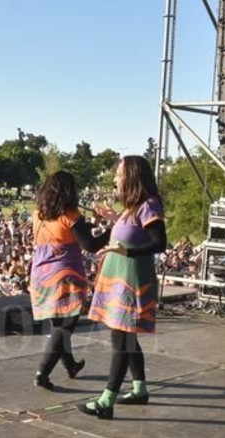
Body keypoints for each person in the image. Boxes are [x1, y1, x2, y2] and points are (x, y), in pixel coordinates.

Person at [79, 156, 167, 419]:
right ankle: (139, 389)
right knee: (125, 337)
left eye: (118, 174)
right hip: (117, 280)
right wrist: (115, 218)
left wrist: (128, 251)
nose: (115, 179)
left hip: (130, 282)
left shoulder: (150, 205)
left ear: (131, 176)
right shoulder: (133, 207)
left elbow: (159, 243)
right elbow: (133, 231)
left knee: (122, 339)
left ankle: (106, 401)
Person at [28, 171, 107, 390]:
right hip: (65, 276)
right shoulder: (70, 215)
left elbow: (67, 233)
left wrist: (92, 224)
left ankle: (70, 365)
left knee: (57, 325)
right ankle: (42, 373)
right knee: (65, 327)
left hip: (41, 274)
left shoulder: (38, 215)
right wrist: (111, 231)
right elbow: (89, 245)